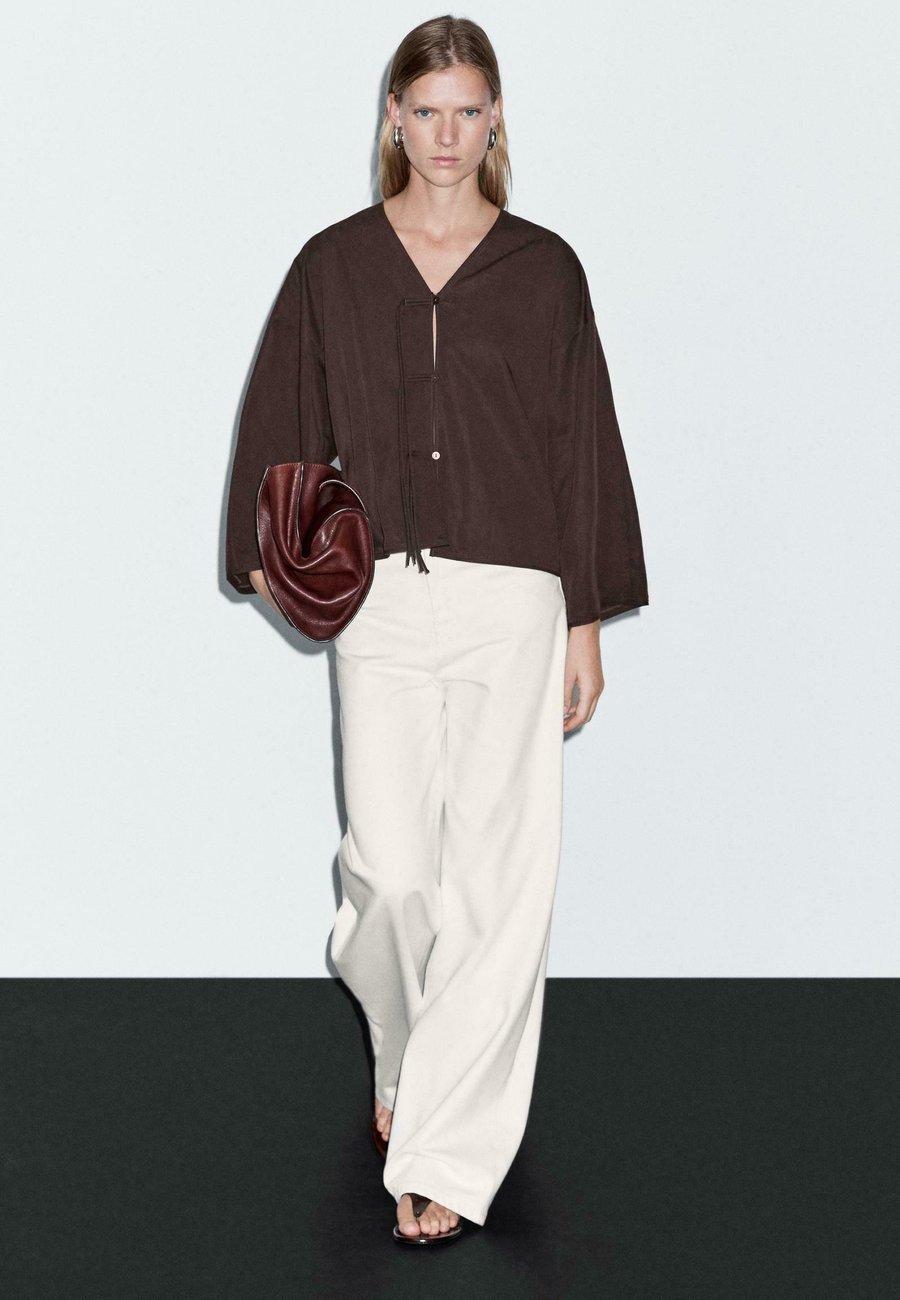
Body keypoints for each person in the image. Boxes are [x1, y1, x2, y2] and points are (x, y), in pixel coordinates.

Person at [224, 15, 648, 1246]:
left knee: (500, 881)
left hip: (515, 597)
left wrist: (584, 618)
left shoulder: (545, 270)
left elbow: (580, 444)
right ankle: (407, 1057)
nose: (448, 135)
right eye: (428, 111)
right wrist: (265, 555)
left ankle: (450, 1158)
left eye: (469, 111)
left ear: (496, 117)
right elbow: (285, 423)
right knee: (395, 875)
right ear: (393, 118)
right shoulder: (334, 265)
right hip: (383, 604)